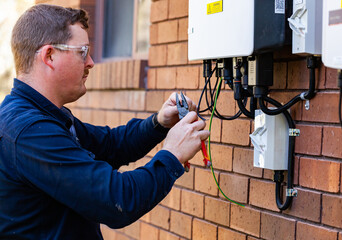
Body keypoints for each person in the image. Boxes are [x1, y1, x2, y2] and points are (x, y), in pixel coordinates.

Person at [0, 4, 209, 239]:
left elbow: (111, 144)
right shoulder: (29, 131)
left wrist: (159, 123)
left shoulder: (44, 115)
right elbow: (117, 201)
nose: (90, 62)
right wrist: (172, 155)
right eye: (82, 52)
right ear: (49, 55)